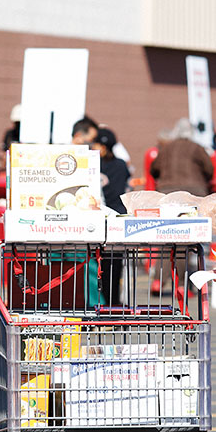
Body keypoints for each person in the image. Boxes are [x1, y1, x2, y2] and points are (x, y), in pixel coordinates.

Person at [94, 127, 128, 304]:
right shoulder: (121, 165)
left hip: (101, 218)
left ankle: (99, 303)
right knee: (115, 267)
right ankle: (113, 304)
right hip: (119, 218)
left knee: (97, 266)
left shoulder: (94, 164)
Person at [149, 118, 213, 196]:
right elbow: (209, 170)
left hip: (167, 190)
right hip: (195, 190)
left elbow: (153, 169)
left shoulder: (166, 148)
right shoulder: (197, 148)